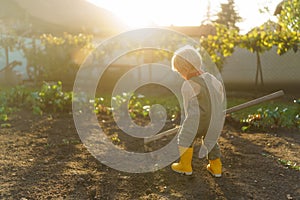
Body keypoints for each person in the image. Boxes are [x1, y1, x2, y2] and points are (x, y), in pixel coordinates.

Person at [170, 45, 224, 177]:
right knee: (211, 140)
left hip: (196, 119)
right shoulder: (212, 79)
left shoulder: (188, 85)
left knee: (185, 138)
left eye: (180, 72)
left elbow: (188, 106)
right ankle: (216, 168)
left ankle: (185, 166)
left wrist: (188, 124)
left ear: (185, 69)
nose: (181, 76)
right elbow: (220, 96)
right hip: (214, 119)